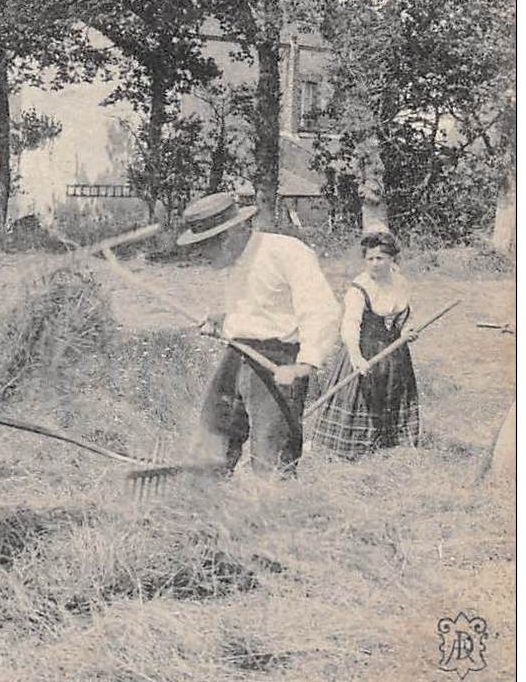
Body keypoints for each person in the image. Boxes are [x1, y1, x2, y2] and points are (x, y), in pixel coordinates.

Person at [177, 191, 339, 476]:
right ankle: (206, 503)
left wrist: (304, 364)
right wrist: (224, 322)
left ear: (231, 234)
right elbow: (260, 311)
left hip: (278, 360)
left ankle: (273, 509)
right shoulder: (234, 259)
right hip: (237, 353)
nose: (202, 255)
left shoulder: (287, 252)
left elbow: (320, 309)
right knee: (214, 434)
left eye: (206, 247)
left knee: (271, 452)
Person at [310, 230, 422, 458]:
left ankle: (388, 444)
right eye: (369, 259)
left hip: (394, 354)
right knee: (360, 399)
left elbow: (404, 318)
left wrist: (408, 331)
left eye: (380, 258)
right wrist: (356, 357)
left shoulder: (400, 283)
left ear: (392, 259)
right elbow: (350, 325)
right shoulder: (359, 288)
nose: (374, 264)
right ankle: (351, 447)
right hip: (364, 349)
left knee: (392, 396)